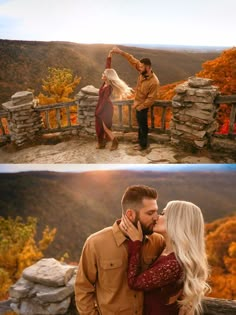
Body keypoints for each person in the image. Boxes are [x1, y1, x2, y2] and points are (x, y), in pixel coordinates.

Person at [74, 185, 165, 315]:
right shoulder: (95, 243)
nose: (156, 217)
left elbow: (178, 270)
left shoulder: (157, 241)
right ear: (130, 214)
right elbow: (83, 288)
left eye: (156, 211)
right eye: (150, 213)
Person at [122, 200, 210, 315]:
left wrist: (136, 243)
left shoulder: (174, 263)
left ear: (177, 222)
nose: (157, 217)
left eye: (163, 214)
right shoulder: (167, 251)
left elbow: (134, 283)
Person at [111, 47, 160, 151]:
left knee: (143, 125)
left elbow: (151, 99)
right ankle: (139, 139)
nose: (139, 68)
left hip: (143, 106)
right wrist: (120, 52)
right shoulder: (143, 71)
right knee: (140, 124)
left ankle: (143, 145)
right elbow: (132, 60)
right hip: (137, 104)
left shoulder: (154, 82)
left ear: (148, 67)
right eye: (140, 66)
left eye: (142, 67)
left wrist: (140, 107)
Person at [95, 50, 133, 150]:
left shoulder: (108, 87)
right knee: (102, 127)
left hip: (105, 108)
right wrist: (109, 56)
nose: (102, 74)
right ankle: (102, 143)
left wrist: (98, 111)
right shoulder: (105, 83)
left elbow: (103, 101)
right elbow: (108, 68)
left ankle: (115, 142)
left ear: (107, 77)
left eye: (104, 74)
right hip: (103, 107)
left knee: (106, 128)